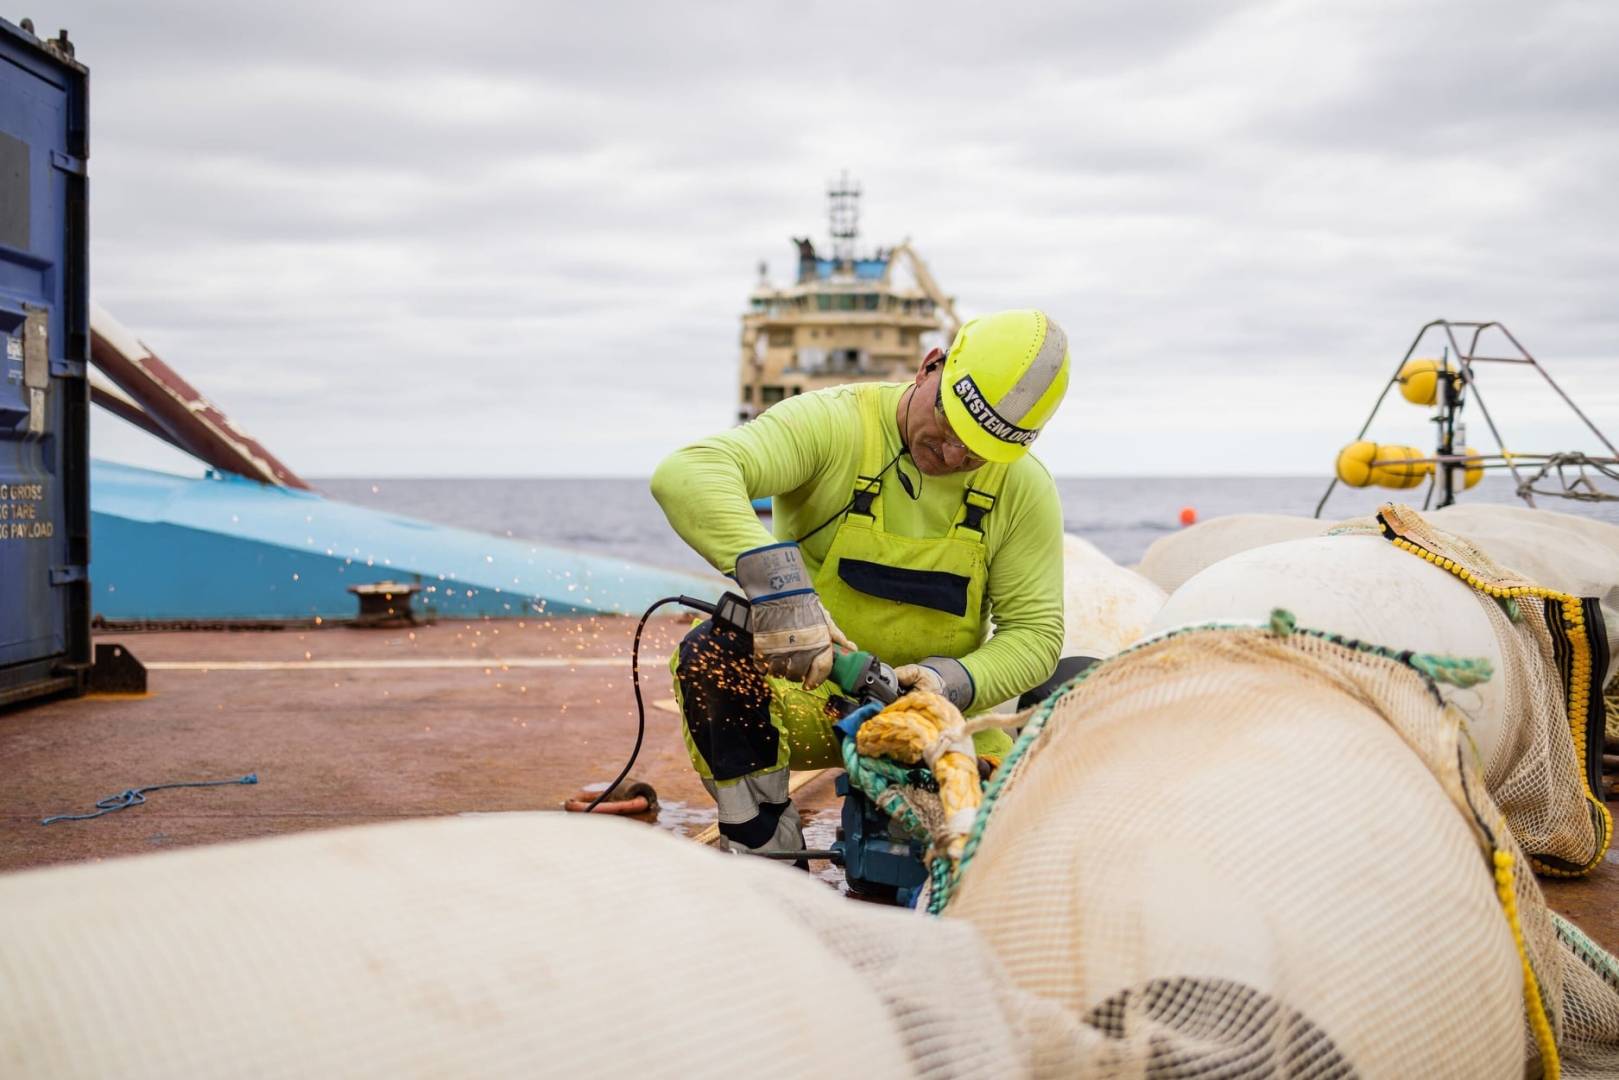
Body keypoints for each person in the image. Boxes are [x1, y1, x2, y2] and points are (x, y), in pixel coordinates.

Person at [650, 309, 1071, 855]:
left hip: (941, 722)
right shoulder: (833, 423)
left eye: (976, 454)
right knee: (711, 654)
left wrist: (950, 682)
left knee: (973, 851)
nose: (949, 456)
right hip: (809, 704)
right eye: (948, 429)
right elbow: (687, 474)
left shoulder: (1024, 487)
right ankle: (765, 847)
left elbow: (1035, 633)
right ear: (930, 368)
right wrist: (784, 593)